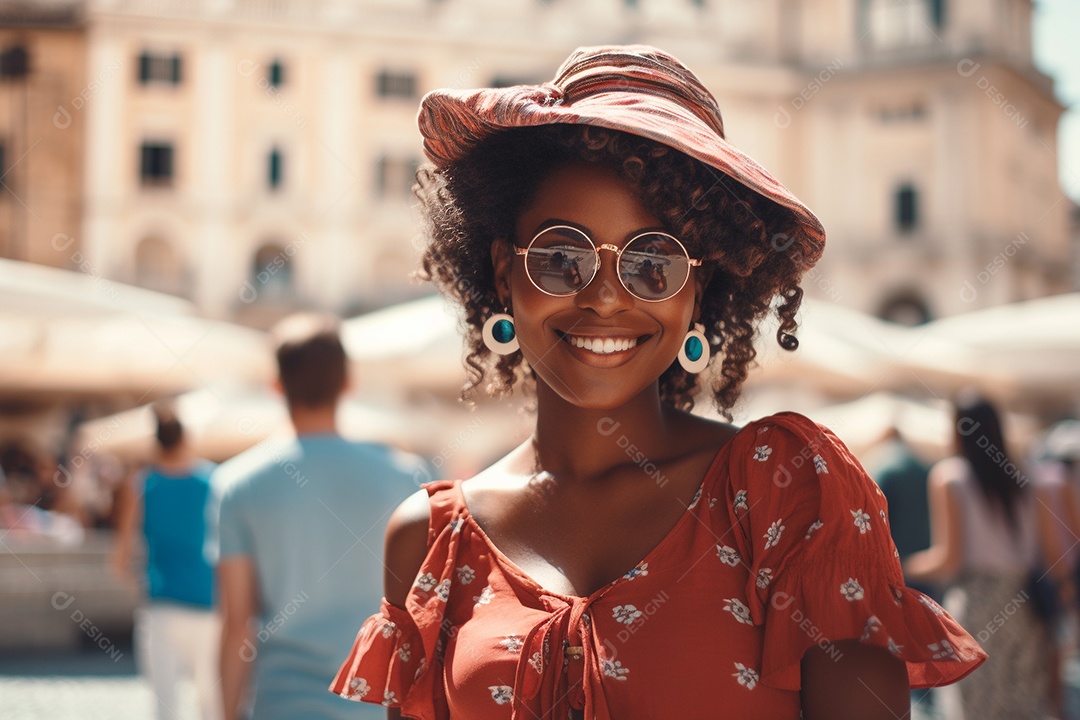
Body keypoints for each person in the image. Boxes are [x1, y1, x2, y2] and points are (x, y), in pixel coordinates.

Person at [330, 45, 986, 719]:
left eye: (653, 262)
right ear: (504, 271)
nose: (607, 298)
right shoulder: (430, 541)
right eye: (562, 256)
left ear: (697, 289)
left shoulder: (790, 494)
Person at [215, 313, 422, 720]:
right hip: (377, 706)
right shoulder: (407, 478)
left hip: (281, 705)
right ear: (348, 383)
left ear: (275, 385)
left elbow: (237, 623)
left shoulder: (237, 485)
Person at [905, 393, 1060, 719]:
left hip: (977, 603)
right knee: (1022, 705)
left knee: (976, 707)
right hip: (1025, 603)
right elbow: (1050, 557)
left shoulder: (950, 477)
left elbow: (949, 559)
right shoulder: (1029, 477)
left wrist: (904, 566)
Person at [112, 405, 221, 720]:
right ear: (185, 438)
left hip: (162, 606)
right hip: (209, 604)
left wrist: (140, 581)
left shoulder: (142, 485)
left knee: (165, 706)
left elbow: (120, 557)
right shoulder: (212, 481)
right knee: (211, 702)